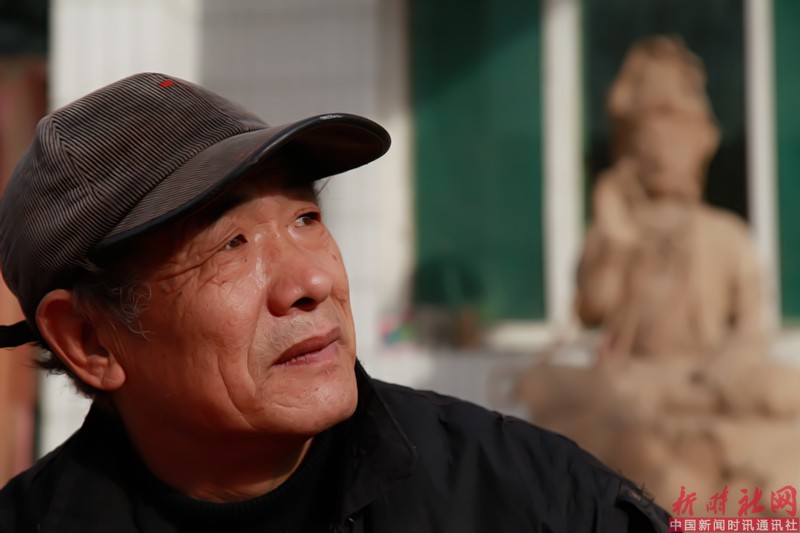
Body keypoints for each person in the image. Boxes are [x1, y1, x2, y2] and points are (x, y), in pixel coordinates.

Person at [0, 73, 671, 532]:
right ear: (89, 339)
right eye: (231, 243)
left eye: (306, 218)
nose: (312, 282)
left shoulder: (524, 496)